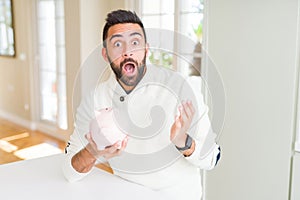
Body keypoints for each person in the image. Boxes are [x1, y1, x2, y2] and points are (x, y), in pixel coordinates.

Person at [63, 9, 221, 200]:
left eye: (135, 43)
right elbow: (70, 171)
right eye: (118, 44)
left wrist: (183, 142)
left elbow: (213, 158)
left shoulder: (180, 87)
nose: (127, 52)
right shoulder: (95, 99)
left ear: (146, 48)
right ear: (105, 54)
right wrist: (93, 151)